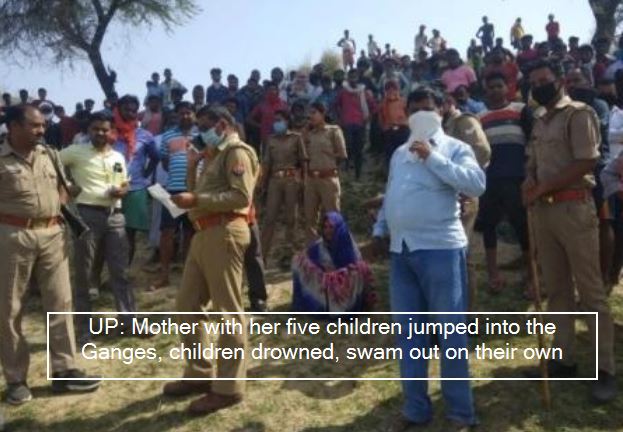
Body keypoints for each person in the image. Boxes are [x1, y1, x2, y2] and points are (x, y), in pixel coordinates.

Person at [373, 108, 485, 431]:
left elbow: (477, 184)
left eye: (427, 104)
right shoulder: (398, 152)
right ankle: (416, 409)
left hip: (441, 249)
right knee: (408, 335)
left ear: (439, 111)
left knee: (450, 334)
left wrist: (433, 157)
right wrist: (381, 228)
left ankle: (461, 414)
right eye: (415, 105)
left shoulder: (454, 147)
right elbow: (391, 194)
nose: (420, 111)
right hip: (402, 251)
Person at [522, 59, 616, 403]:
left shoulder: (579, 114)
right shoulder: (537, 120)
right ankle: (563, 357)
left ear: (559, 81)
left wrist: (542, 184)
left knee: (590, 291)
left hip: (574, 208)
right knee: (557, 289)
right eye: (534, 82)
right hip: (544, 213)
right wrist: (530, 180)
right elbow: (533, 161)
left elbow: (586, 160)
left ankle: (603, 368)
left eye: (544, 80)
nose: (539, 86)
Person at [0, 105, 101, 405]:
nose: (41, 130)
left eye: (43, 125)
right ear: (13, 127)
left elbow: (62, 190)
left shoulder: (50, 155)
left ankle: (64, 371)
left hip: (54, 235)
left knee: (61, 302)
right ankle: (16, 379)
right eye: (34, 125)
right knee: (10, 309)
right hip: (12, 236)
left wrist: (65, 200)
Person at [163, 106, 259, 415]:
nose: (198, 133)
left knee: (228, 310)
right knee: (187, 305)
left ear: (221, 125)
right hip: (204, 232)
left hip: (225, 230)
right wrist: (193, 166)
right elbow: (196, 194)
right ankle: (199, 373)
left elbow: (241, 197)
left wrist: (198, 200)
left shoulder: (236, 152)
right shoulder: (212, 156)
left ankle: (228, 388)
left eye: (204, 126)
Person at [59, 112, 138, 344]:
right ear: (88, 131)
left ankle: (129, 323)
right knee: (84, 273)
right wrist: (67, 186)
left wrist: (123, 190)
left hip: (115, 217)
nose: (101, 133)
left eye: (105, 129)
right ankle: (83, 329)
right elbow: (52, 164)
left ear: (111, 131)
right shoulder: (75, 151)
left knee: (120, 272)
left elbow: (124, 182)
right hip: (87, 215)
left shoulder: (118, 156)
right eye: (96, 129)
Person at [477, 72, 534, 298]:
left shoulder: (521, 110)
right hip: (489, 180)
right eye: (490, 87)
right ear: (486, 90)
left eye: (499, 85)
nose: (495, 90)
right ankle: (493, 274)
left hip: (517, 178)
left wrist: (530, 172)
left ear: (507, 87)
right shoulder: (479, 117)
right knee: (488, 226)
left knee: (522, 228)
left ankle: (531, 278)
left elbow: (533, 142)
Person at [440, 93, 491, 311]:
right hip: (444, 197)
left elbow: (482, 151)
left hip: (464, 197)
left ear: (448, 103)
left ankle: (468, 314)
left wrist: (462, 182)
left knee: (461, 255)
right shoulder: (438, 127)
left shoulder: (464, 122)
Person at [566, 68, 615, 289]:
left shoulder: (599, 105)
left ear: (589, 81)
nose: (573, 85)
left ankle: (604, 276)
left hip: (598, 169)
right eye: (569, 81)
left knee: (604, 223)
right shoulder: (566, 108)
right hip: (574, 172)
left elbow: (594, 135)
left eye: (577, 80)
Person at [151, 101, 197, 291]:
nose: (185, 116)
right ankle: (164, 276)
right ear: (177, 116)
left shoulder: (201, 134)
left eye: (189, 113)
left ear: (194, 114)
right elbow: (164, 162)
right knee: (167, 233)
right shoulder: (168, 135)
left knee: (190, 233)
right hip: (173, 190)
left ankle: (188, 276)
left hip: (194, 191)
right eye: (182, 113)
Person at [292, 211, 374, 312]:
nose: (327, 231)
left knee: (359, 271)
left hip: (346, 286)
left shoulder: (348, 242)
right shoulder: (319, 246)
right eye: (325, 227)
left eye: (331, 227)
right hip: (327, 287)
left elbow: (356, 264)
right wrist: (323, 271)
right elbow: (308, 258)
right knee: (298, 261)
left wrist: (341, 273)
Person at [112, 95, 159, 264]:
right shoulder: (108, 132)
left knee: (128, 234)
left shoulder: (145, 135)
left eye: (134, 110)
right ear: (118, 109)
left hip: (135, 189)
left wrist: (144, 175)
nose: (131, 113)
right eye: (127, 109)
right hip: (110, 190)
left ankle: (123, 274)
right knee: (109, 234)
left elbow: (155, 157)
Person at [261, 110, 308, 268]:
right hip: (274, 180)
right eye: (275, 120)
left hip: (291, 180)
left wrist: (304, 181)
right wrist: (262, 184)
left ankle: (290, 257)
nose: (276, 123)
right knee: (269, 219)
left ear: (287, 121)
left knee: (291, 219)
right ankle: (261, 258)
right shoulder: (271, 140)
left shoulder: (296, 138)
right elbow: (266, 163)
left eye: (279, 120)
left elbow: (303, 161)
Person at [304, 102, 347, 241]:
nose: (311, 116)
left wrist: (329, 163)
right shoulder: (308, 134)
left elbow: (342, 154)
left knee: (333, 215)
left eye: (314, 113)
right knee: (310, 217)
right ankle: (314, 251)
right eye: (309, 113)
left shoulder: (333, 130)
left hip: (328, 178)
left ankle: (337, 248)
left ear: (322, 114)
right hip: (311, 180)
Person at [335, 69, 371, 180]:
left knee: (359, 150)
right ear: (348, 78)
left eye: (355, 76)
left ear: (358, 77)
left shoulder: (363, 91)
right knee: (348, 146)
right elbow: (335, 105)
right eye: (351, 76)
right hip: (347, 124)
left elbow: (373, 106)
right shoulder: (343, 91)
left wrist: (368, 118)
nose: (353, 78)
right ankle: (346, 170)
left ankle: (358, 176)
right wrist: (340, 118)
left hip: (360, 124)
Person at [378, 80, 409, 165]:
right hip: (389, 131)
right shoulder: (383, 104)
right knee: (390, 156)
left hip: (403, 130)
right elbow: (381, 119)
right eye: (388, 88)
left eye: (394, 88)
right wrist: (384, 129)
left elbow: (408, 114)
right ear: (385, 90)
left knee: (403, 153)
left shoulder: (403, 101)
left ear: (398, 89)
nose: (391, 91)